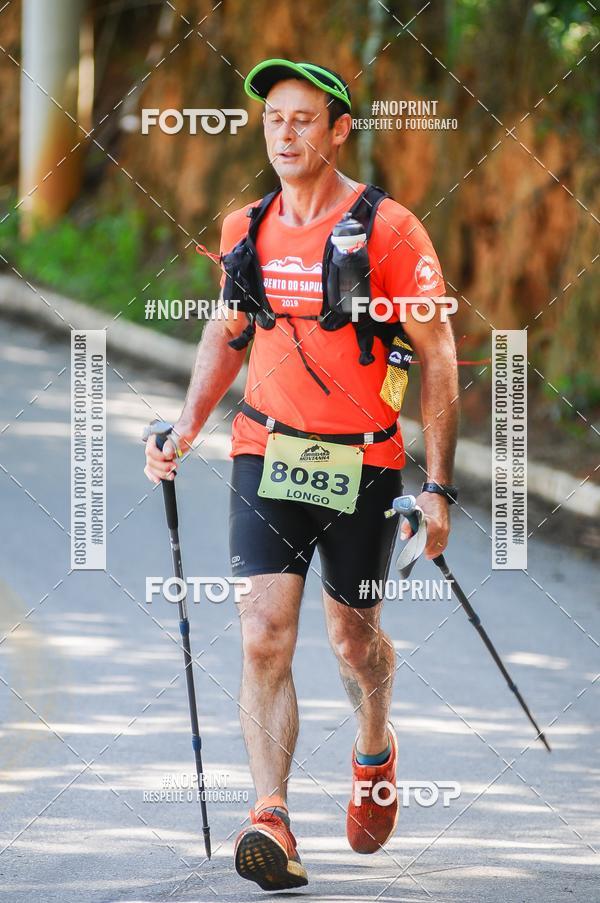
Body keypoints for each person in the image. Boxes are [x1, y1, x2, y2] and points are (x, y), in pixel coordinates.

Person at [144, 58, 459, 892]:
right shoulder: (244, 227)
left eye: (305, 119)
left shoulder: (389, 229)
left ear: (339, 129)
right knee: (262, 634)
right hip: (267, 453)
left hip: (363, 463)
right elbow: (228, 330)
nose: (286, 134)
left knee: (353, 641)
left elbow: (439, 353)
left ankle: (374, 747)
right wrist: (184, 427)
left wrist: (436, 486)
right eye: (275, 119)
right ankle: (272, 815)